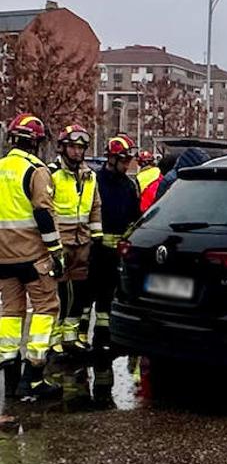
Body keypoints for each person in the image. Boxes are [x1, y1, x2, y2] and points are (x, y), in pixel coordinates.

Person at [0, 114, 65, 401]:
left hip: (3, 258)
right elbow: (42, 213)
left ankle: (11, 379)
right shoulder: (36, 170)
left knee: (10, 313)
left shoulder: (0, 168)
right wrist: (56, 252)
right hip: (34, 257)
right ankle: (34, 377)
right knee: (46, 309)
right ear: (37, 143)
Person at [47, 125, 103, 405]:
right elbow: (48, 208)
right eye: (73, 147)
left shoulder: (90, 175)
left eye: (81, 147)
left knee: (78, 291)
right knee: (59, 292)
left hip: (82, 241)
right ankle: (54, 341)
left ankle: (71, 338)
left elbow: (95, 207)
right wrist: (53, 241)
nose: (77, 151)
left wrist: (97, 235)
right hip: (61, 241)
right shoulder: (52, 174)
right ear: (63, 147)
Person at [91, 134, 141, 405]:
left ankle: (105, 338)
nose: (126, 164)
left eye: (128, 160)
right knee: (92, 298)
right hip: (97, 252)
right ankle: (86, 343)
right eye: (123, 160)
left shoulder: (129, 185)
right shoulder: (96, 182)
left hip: (118, 252)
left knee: (110, 300)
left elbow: (134, 216)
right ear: (111, 158)